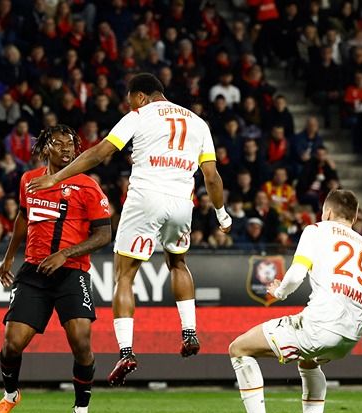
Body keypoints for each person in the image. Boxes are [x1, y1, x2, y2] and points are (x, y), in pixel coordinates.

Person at [27, 73, 232, 386]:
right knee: (178, 263)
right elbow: (212, 177)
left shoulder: (138, 115)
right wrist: (221, 214)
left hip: (144, 198)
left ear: (139, 96)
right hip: (181, 202)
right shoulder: (199, 123)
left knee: (125, 275)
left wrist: (57, 178)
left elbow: (100, 152)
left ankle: (126, 351)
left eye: (129, 99)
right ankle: (189, 332)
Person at [229, 190, 362, 413]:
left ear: (327, 212)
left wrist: (279, 292)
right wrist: (354, 302)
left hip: (319, 328)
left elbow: (296, 275)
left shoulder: (316, 230)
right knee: (308, 362)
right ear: (354, 219)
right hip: (348, 339)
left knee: (238, 349)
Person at [0, 125, 112, 413]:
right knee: (11, 343)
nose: (67, 149)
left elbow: (104, 234)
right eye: (59, 144)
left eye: (71, 144)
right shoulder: (30, 180)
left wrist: (66, 253)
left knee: (81, 341)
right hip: (34, 272)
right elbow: (22, 216)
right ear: (46, 148)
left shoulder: (88, 186)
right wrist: (8, 259)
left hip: (72, 272)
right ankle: (10, 396)